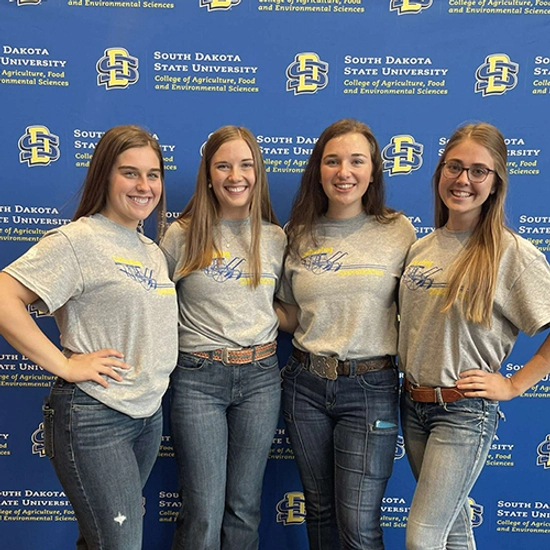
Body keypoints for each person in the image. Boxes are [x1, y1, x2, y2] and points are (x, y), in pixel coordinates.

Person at [0, 125, 178, 550]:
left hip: (146, 416)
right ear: (105, 175)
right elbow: (5, 295)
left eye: (153, 175)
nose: (144, 185)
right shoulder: (77, 240)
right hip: (96, 416)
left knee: (105, 539)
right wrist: (64, 364)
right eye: (130, 173)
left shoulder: (150, 249)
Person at [398, 122, 550, 550]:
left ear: (496, 181)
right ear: (440, 172)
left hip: (463, 414)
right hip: (412, 406)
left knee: (423, 538)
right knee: (454, 530)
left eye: (478, 171)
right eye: (454, 167)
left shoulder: (511, 253)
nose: (463, 180)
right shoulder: (421, 248)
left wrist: (514, 383)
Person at [276, 118, 416, 550]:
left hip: (371, 387)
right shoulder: (297, 233)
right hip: (305, 385)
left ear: (373, 171)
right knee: (319, 512)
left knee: (358, 523)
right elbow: (290, 315)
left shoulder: (399, 231)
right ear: (318, 170)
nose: (344, 172)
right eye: (333, 161)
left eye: (357, 161)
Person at [160, 125, 286, 550]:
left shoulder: (274, 237)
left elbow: (286, 308)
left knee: (244, 506)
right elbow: (152, 306)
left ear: (258, 172)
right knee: (202, 510)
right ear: (209, 174)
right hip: (198, 380)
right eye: (224, 165)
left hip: (262, 379)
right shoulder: (181, 234)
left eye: (246, 165)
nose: (236, 175)